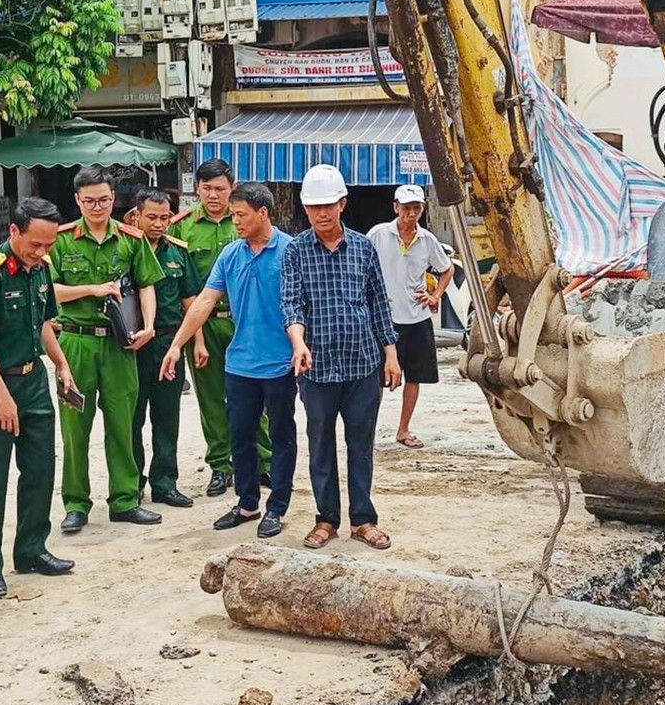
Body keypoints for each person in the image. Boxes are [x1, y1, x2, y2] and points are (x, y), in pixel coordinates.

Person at [161, 183, 297, 538]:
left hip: (281, 363)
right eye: (233, 215)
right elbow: (204, 302)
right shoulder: (231, 255)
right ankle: (247, 502)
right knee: (240, 436)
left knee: (281, 436)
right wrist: (177, 345)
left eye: (240, 215)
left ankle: (277, 507)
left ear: (263, 213)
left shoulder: (291, 251)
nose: (234, 221)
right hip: (239, 364)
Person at [0, 197, 77, 600]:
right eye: (35, 244)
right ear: (14, 231)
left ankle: (31, 549)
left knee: (41, 469)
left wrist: (61, 365)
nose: (41, 252)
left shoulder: (41, 269)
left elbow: (45, 324)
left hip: (34, 384)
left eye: (48, 245)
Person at [281, 165, 401, 551]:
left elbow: (378, 302)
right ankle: (326, 519)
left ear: (343, 204)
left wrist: (391, 354)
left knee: (360, 445)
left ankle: (363, 520)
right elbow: (291, 304)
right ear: (305, 208)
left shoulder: (363, 248)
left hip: (362, 363)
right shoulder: (296, 251)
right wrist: (298, 343)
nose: (321, 214)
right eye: (314, 207)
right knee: (320, 444)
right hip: (316, 369)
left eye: (328, 206)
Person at [48, 167, 164, 533]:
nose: (97, 206)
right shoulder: (60, 241)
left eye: (103, 199)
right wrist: (93, 289)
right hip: (75, 341)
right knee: (74, 427)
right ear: (77, 201)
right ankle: (76, 504)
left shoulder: (131, 238)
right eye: (89, 200)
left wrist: (148, 325)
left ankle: (125, 499)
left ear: (114, 199)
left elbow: (147, 284)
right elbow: (49, 291)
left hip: (119, 344)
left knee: (123, 423)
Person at [169, 159, 272, 497]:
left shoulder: (246, 220)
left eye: (220, 189)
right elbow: (186, 290)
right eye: (206, 188)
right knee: (212, 399)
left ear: (232, 187)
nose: (213, 195)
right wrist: (191, 338)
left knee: (256, 396)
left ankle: (265, 462)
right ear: (196, 188)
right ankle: (220, 466)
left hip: (247, 322)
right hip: (205, 326)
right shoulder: (181, 229)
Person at [130, 188, 205, 508]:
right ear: (136, 216)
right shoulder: (125, 248)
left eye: (165, 217)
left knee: (166, 415)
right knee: (130, 418)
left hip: (168, 343)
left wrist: (197, 341)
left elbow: (191, 301)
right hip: (130, 345)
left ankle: (165, 482)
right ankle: (131, 483)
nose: (159, 224)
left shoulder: (177, 252)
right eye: (152, 217)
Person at [366, 184, 454, 449]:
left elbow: (446, 269)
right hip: (383, 318)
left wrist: (436, 295)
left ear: (422, 210)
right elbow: (361, 264)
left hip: (416, 318)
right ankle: (367, 432)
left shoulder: (427, 240)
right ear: (395, 208)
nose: (410, 214)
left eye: (416, 208)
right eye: (406, 208)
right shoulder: (378, 235)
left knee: (414, 376)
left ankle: (403, 430)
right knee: (376, 380)